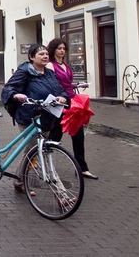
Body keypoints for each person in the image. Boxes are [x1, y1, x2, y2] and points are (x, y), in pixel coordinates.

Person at [1, 43, 68, 193]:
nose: (45, 56)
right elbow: (8, 87)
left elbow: (60, 89)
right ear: (32, 57)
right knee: (36, 150)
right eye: (41, 54)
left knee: (31, 150)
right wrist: (15, 95)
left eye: (46, 54)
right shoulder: (25, 71)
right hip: (28, 117)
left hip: (45, 117)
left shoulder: (49, 73)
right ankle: (60, 192)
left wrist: (62, 97)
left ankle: (19, 179)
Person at [46, 38, 98, 180]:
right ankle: (42, 164)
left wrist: (77, 85)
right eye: (59, 48)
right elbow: (53, 85)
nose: (62, 51)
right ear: (53, 50)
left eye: (64, 48)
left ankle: (82, 168)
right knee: (55, 137)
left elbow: (66, 83)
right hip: (60, 104)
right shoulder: (50, 65)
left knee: (78, 136)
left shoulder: (65, 65)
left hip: (72, 102)